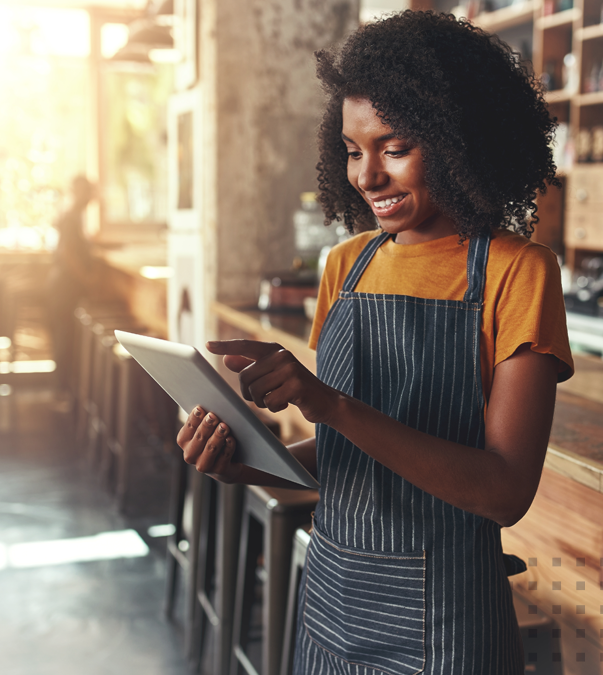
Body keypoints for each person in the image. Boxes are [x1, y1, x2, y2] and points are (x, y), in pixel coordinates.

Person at [177, 12, 573, 673]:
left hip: (450, 621)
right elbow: (347, 461)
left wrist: (329, 403)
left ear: (457, 140)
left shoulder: (518, 272)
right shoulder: (346, 265)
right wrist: (239, 460)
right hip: (332, 603)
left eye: (394, 148)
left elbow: (504, 489)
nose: (367, 176)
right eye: (353, 150)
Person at [47, 174, 96, 398]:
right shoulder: (71, 217)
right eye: (86, 190)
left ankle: (64, 391)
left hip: (62, 287)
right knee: (65, 340)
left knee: (65, 339)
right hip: (64, 288)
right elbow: (67, 253)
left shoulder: (74, 216)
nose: (90, 195)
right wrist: (87, 279)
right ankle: (62, 392)